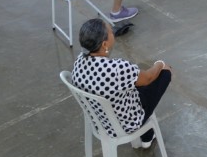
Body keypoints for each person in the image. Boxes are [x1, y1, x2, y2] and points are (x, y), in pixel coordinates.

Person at [71, 18, 172, 148]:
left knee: (136, 86)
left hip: (101, 120)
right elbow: (148, 78)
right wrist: (160, 64)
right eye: (111, 32)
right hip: (127, 123)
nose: (113, 32)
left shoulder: (79, 61)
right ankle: (145, 133)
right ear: (104, 44)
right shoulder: (118, 69)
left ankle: (147, 136)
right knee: (164, 74)